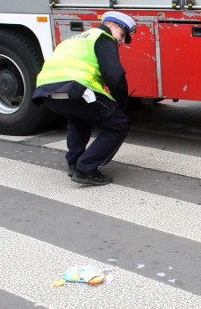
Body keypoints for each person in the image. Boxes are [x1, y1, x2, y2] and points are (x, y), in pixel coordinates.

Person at [33, 11, 135, 186]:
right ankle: (86, 169)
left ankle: (74, 163)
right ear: (113, 26)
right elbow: (115, 76)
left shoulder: (74, 39)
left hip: (46, 92)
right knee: (119, 124)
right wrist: (121, 104)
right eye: (122, 35)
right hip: (75, 88)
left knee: (79, 118)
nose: (121, 41)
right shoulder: (103, 37)